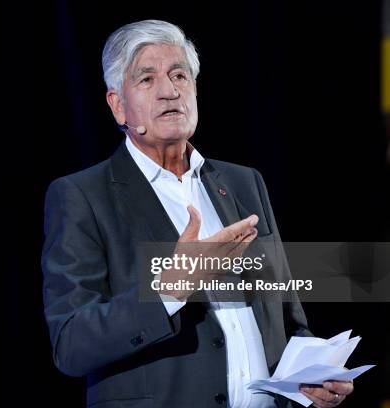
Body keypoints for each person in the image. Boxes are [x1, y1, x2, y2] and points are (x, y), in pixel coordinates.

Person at [41, 19, 354, 408]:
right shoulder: (82, 196)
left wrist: (312, 381)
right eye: (146, 80)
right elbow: (71, 344)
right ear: (118, 105)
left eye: (179, 75)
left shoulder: (244, 183)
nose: (169, 91)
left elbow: (287, 317)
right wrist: (169, 289)